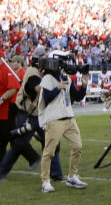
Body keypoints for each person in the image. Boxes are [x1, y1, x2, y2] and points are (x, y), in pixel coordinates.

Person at [0, 47, 59, 182]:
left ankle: (55, 172)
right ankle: (3, 170)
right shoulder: (32, 72)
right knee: (19, 143)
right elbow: (35, 89)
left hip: (34, 112)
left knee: (48, 141)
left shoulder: (32, 71)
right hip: (29, 112)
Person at [37, 51, 88, 193]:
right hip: (54, 119)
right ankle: (45, 181)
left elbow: (77, 96)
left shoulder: (65, 77)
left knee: (78, 146)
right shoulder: (47, 78)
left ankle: (72, 176)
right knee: (49, 152)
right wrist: (57, 88)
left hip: (68, 117)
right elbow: (46, 98)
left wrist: (84, 86)